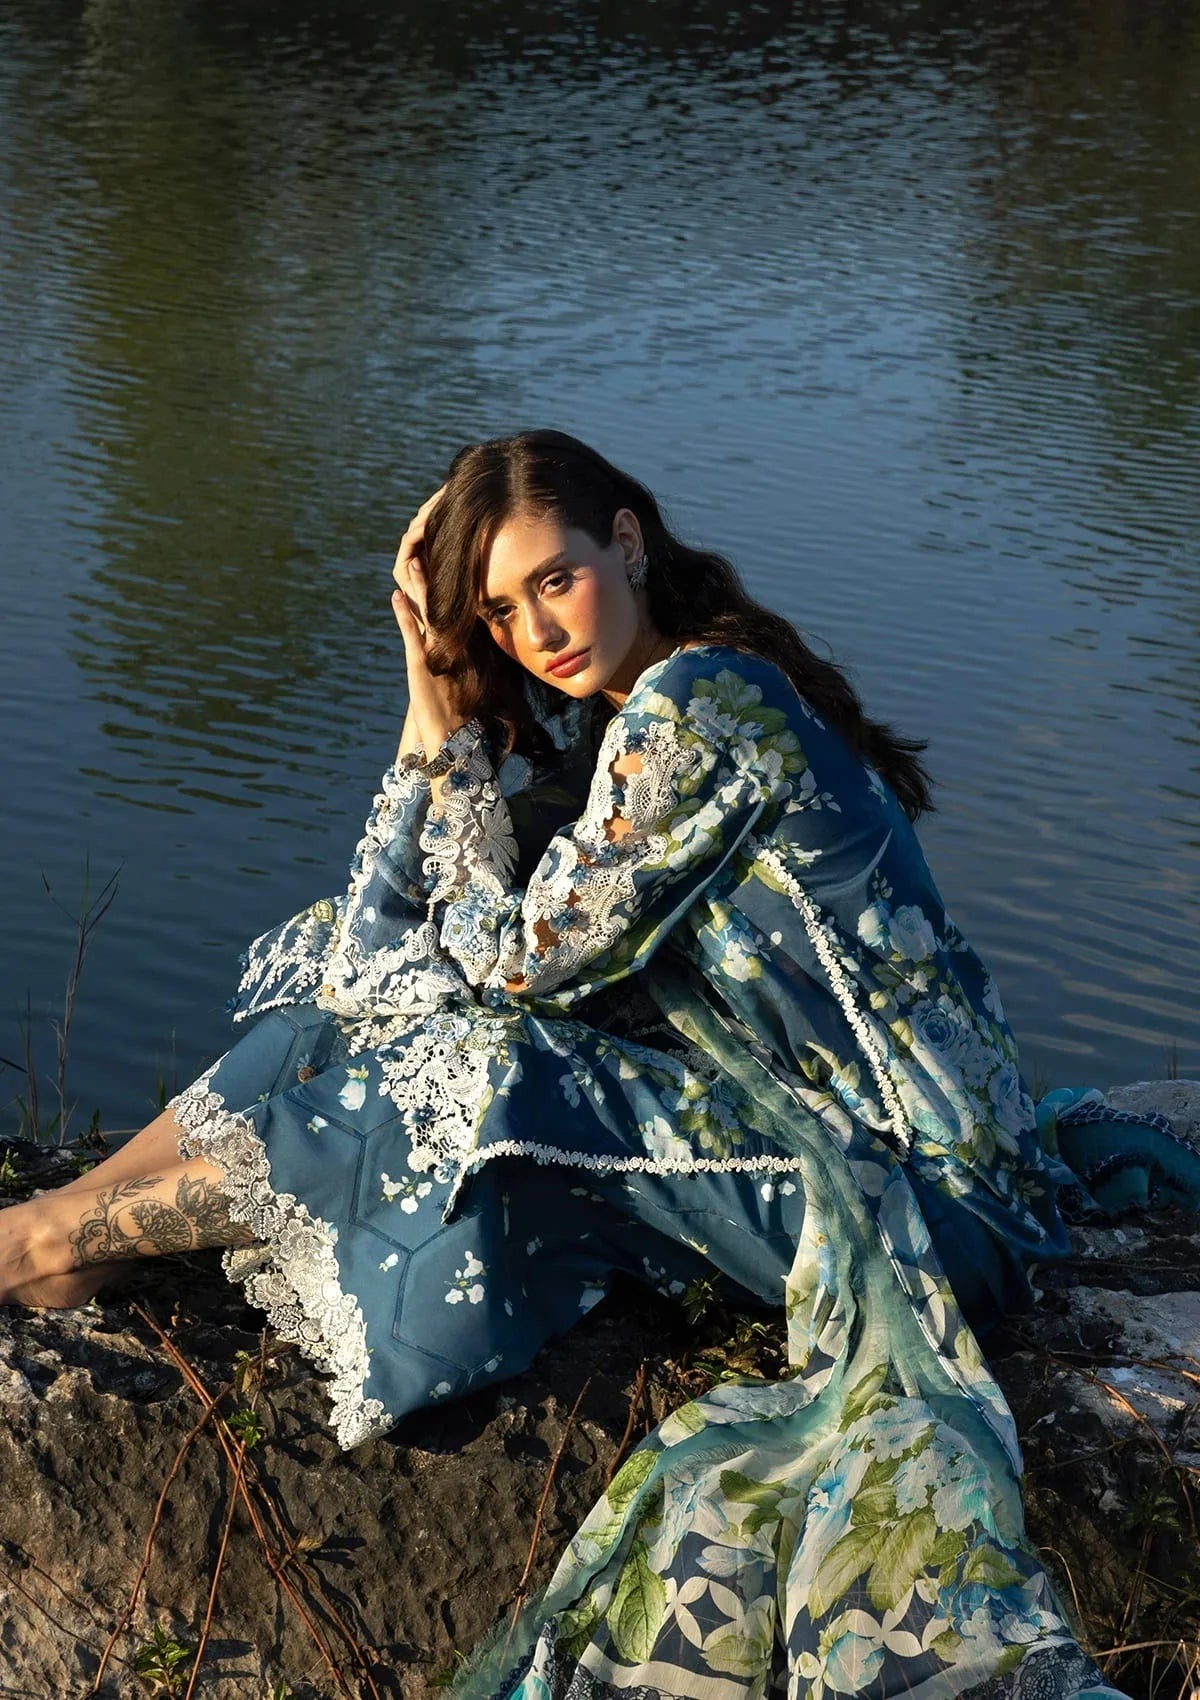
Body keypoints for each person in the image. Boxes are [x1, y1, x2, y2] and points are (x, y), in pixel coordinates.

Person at [2, 430, 1196, 1698]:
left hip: (917, 1194)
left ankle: (45, 1239)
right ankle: (67, 1225)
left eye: (554, 579)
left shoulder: (703, 707)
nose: (535, 632)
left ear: (626, 541)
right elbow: (370, 961)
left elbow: (505, 972)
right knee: (342, 1014)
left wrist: (438, 726)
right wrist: (435, 706)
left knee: (478, 1062)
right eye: (496, 612)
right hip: (807, 1122)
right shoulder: (635, 718)